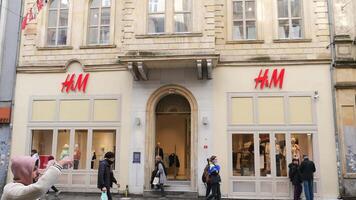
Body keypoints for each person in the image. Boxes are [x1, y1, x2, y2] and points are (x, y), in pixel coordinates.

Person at [1, 156, 72, 200]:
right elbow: (39, 188)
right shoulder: (10, 190)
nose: (38, 172)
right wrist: (61, 163)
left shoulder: (26, 187)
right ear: (23, 172)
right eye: (34, 169)